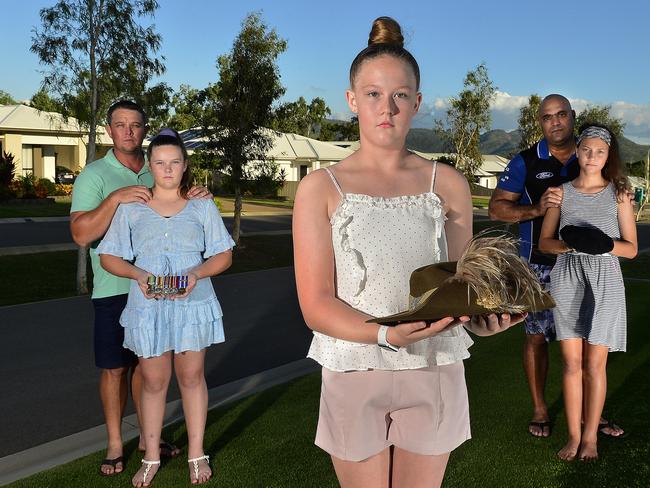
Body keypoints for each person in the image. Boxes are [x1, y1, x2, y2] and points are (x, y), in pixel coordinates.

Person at [293, 17, 525, 488]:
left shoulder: (449, 184)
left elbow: (461, 290)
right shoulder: (321, 187)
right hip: (354, 365)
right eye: (374, 94)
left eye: (400, 95)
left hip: (434, 365)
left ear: (416, 102)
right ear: (352, 100)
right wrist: (385, 337)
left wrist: (482, 319)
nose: (388, 107)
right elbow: (316, 305)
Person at [70, 101, 210, 476]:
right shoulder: (94, 175)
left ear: (145, 130)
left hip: (162, 293)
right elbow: (81, 234)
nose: (128, 131)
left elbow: (176, 202)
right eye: (120, 124)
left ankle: (151, 440)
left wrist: (196, 195)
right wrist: (117, 198)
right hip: (115, 286)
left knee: (149, 372)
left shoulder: (157, 168)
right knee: (116, 368)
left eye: (135, 124)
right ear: (109, 130)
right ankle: (116, 444)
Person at [97, 129, 234, 486]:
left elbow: (224, 255)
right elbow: (108, 256)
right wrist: (139, 274)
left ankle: (196, 453)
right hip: (148, 306)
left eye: (175, 162)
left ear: (185, 165)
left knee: (191, 377)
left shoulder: (202, 205)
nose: (168, 169)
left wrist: (196, 274)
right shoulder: (132, 208)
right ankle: (151, 455)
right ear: (151, 166)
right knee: (155, 381)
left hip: (193, 303)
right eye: (160, 162)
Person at [488, 95, 625, 439]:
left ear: (572, 117)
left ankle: (590, 416)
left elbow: (614, 193)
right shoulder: (525, 162)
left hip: (589, 266)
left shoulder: (591, 153)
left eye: (561, 114)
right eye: (547, 117)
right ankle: (540, 408)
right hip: (538, 262)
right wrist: (536, 210)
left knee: (590, 342)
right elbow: (496, 209)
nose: (556, 122)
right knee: (537, 337)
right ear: (540, 123)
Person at [539, 124, 637, 461]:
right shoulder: (560, 193)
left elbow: (632, 249)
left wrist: (605, 245)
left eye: (600, 151)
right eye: (586, 149)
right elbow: (545, 242)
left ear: (609, 155)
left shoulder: (619, 193)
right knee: (571, 363)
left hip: (605, 280)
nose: (592, 156)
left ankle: (591, 438)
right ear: (577, 150)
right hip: (568, 277)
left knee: (595, 365)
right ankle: (574, 435)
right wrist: (570, 245)